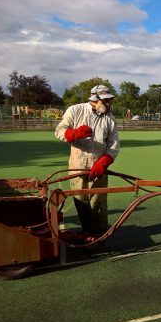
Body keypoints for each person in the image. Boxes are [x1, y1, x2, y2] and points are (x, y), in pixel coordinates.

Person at [55, 84, 120, 236]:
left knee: (98, 202)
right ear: (95, 99)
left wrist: (103, 162)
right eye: (105, 100)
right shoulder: (75, 110)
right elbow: (59, 131)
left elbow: (113, 145)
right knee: (81, 201)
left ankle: (99, 235)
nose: (108, 103)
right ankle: (87, 232)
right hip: (77, 166)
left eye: (109, 100)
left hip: (99, 167)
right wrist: (75, 133)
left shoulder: (110, 118)